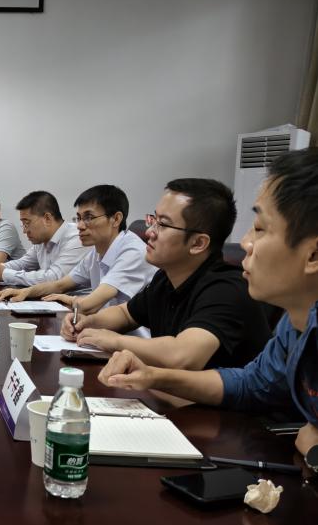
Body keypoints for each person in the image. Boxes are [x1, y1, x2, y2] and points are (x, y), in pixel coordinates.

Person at [98, 148, 318, 459]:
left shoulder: (226, 286)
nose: (245, 243)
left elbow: (185, 355)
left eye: (260, 228)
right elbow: (251, 383)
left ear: (313, 255)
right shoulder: (295, 322)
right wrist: (154, 376)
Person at [60, 179, 270, 370]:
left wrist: (114, 340)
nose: (149, 232)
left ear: (198, 243)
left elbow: (183, 355)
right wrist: (87, 323)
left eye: (162, 224)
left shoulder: (226, 288)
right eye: (153, 219)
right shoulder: (166, 277)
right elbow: (126, 314)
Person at [0, 184, 156, 315]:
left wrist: (71, 300)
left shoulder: (132, 251)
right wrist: (26, 292)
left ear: (116, 219)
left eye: (89, 217)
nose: (79, 226)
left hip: (131, 341)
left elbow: (90, 305)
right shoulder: (96, 252)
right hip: (104, 331)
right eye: (79, 218)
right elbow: (61, 284)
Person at [0, 190, 87, 286]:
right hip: (51, 297)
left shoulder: (76, 237)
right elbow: (23, 263)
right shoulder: (42, 240)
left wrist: (5, 274)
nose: (24, 231)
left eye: (27, 223)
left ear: (47, 218)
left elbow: (54, 278)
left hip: (77, 299)